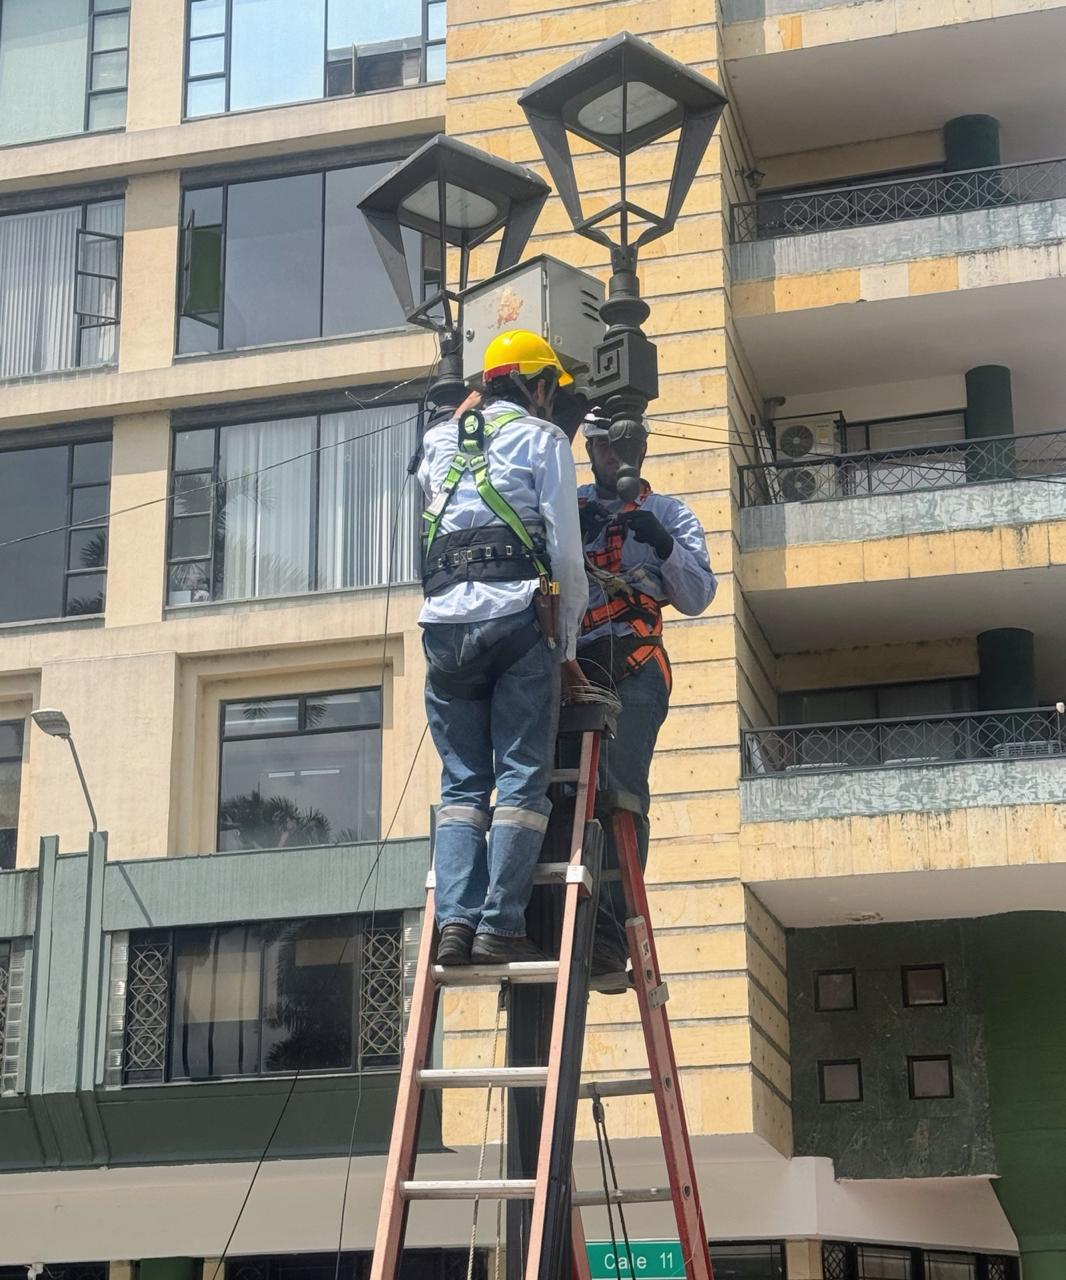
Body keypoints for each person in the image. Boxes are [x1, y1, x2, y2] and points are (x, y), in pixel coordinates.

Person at [419, 330, 589, 967]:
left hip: (442, 626)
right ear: (538, 387)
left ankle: (454, 926)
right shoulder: (543, 440)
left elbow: (435, 504)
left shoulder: (438, 443)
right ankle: (498, 926)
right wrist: (565, 644)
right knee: (520, 777)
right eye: (551, 391)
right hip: (517, 620)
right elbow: (566, 556)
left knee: (462, 785)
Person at [576, 408, 717, 979]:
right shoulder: (569, 507)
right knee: (562, 793)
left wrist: (662, 546)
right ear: (589, 450)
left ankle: (611, 932)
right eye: (602, 446)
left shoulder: (669, 514)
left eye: (622, 446)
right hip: (575, 665)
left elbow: (698, 596)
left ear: (641, 449)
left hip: (635, 665)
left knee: (619, 790)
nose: (612, 457)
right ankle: (559, 919)